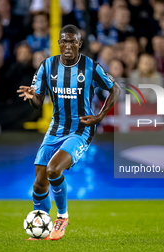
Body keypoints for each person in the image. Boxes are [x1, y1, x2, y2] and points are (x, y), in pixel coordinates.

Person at [17, 25, 121, 241]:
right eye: (64, 41)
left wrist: (99, 117)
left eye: (73, 41)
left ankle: (62, 218)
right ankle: (41, 225)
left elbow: (115, 89)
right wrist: (32, 96)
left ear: (79, 44)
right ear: (58, 43)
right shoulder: (47, 66)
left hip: (80, 129)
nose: (68, 45)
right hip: (55, 128)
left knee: (54, 170)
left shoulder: (90, 67)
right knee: (38, 183)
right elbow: (38, 102)